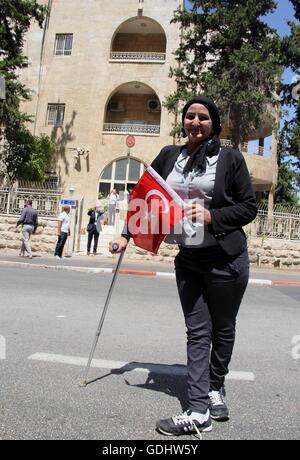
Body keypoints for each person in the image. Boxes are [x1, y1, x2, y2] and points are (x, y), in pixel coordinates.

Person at [109, 96, 257, 437]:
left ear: (214, 123)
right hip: (189, 259)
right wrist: (126, 234)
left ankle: (215, 387)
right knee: (197, 331)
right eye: (190, 116)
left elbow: (248, 207)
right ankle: (198, 408)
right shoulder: (169, 156)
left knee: (223, 327)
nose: (195, 122)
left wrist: (212, 215)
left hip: (226, 259)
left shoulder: (230, 158)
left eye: (202, 117)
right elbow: (145, 195)